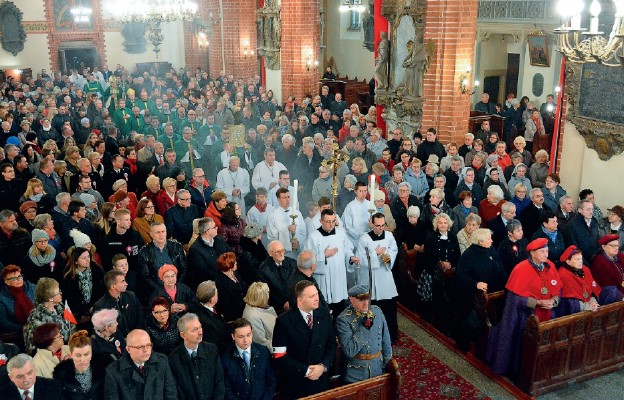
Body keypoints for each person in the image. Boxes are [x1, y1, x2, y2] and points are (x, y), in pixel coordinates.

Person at [487, 238, 562, 376]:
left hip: (547, 312)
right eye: (542, 251)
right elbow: (515, 298)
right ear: (532, 253)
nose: (546, 254)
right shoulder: (521, 269)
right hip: (523, 315)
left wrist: (554, 301)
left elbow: (557, 290)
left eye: (547, 251)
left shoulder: (550, 265)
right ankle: (519, 370)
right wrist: (537, 303)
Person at [272, 280, 336, 399]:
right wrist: (307, 371)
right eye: (312, 296)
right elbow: (279, 356)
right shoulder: (284, 321)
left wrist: (323, 366)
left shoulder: (324, 314)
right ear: (300, 299)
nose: (317, 298)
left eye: (317, 294)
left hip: (321, 381)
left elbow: (331, 344)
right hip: (296, 384)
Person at [454, 229, 507, 349]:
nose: (492, 240)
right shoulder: (469, 254)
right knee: (474, 321)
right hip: (474, 297)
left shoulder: (491, 249)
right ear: (480, 241)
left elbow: (500, 268)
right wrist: (476, 284)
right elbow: (460, 276)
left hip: (494, 293)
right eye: (489, 238)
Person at [352, 213, 399, 342]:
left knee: (388, 309)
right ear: (372, 224)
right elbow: (360, 259)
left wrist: (389, 257)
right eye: (377, 225)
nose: (380, 228)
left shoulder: (389, 236)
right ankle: (372, 337)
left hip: (385, 277)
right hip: (371, 278)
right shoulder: (364, 239)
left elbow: (394, 250)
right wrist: (375, 254)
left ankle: (390, 336)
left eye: (383, 225)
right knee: (372, 310)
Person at [335, 284, 392, 383]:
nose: (366, 303)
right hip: (356, 374)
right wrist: (365, 327)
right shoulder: (343, 319)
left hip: (378, 368)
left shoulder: (377, 311)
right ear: (351, 299)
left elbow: (385, 339)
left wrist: (388, 363)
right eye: (361, 300)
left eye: (368, 299)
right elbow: (350, 350)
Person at [104, 329, 177, 400]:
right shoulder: (113, 372)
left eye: (148, 345)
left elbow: (171, 394)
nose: (146, 350)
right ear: (128, 349)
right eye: (140, 347)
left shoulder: (162, 361)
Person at [168, 313, 225, 400]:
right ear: (183, 335)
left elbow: (219, 382)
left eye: (200, 327)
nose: (200, 332)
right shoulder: (173, 359)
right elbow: (176, 391)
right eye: (194, 330)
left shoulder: (212, 350)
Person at [221, 317, 276, 400]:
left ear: (252, 333)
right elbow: (226, 389)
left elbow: (271, 380)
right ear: (233, 336)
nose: (246, 340)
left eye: (248, 335)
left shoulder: (263, 351)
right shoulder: (225, 359)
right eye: (241, 337)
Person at [52, 330, 111, 400]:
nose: (83, 360)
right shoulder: (61, 373)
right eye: (78, 355)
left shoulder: (105, 365)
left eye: (86, 354)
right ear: (71, 354)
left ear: (91, 353)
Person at [23, 277, 75, 355]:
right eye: (58, 292)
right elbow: (36, 350)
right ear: (50, 298)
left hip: (68, 350)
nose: (61, 293)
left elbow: (72, 327)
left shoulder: (61, 307)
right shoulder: (37, 320)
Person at [138, 222, 188, 295]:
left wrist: (177, 286)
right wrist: (160, 290)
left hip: (177, 288)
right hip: (156, 290)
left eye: (163, 232)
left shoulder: (177, 247)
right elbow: (145, 276)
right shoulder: (144, 251)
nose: (161, 235)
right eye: (158, 232)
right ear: (151, 234)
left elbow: (184, 269)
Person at [61, 246, 105, 329]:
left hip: (96, 312)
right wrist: (82, 313)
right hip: (78, 316)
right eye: (84, 258)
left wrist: (93, 309)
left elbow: (102, 292)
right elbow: (68, 299)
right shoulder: (68, 277)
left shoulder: (98, 271)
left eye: (88, 256)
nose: (87, 259)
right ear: (76, 261)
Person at [93, 271, 143, 338]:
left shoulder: (131, 296)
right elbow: (103, 331)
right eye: (122, 281)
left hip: (136, 337)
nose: (126, 284)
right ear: (113, 286)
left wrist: (135, 335)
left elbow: (141, 317)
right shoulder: (100, 306)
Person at [555, 246, 602, 317]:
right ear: (568, 261)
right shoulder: (563, 274)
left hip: (589, 305)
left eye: (581, 259)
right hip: (572, 310)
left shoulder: (585, 269)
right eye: (577, 259)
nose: (581, 261)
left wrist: (593, 301)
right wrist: (587, 306)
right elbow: (569, 300)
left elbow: (593, 289)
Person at [186, 217, 231, 290]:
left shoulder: (218, 238)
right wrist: (224, 275)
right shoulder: (195, 249)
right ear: (207, 231)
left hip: (227, 274)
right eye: (214, 227)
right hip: (211, 285)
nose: (217, 228)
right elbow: (205, 272)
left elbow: (229, 253)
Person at [187, 280, 230, 353]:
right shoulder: (206, 322)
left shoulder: (199, 307)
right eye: (217, 293)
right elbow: (217, 344)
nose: (218, 294)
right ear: (212, 300)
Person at [266, 188, 306, 259]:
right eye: (284, 197)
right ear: (278, 199)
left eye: (288, 197)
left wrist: (298, 241)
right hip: (282, 253)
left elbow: (303, 232)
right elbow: (272, 238)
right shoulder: (272, 216)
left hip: (297, 252)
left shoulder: (297, 213)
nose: (287, 200)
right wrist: (286, 230)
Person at [0, 265, 35, 338]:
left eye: (19, 276)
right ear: (6, 282)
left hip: (39, 327)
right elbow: (4, 322)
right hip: (18, 334)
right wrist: (24, 328)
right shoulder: (2, 298)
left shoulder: (32, 288)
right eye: (14, 278)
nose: (19, 280)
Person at [589, 235, 624, 303]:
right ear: (604, 247)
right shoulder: (599, 262)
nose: (616, 248)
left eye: (617, 246)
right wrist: (622, 297)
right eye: (613, 246)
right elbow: (609, 285)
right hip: (607, 294)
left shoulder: (620, 257)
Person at [215, 252, 247, 322]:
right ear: (229, 266)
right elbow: (226, 305)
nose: (236, 263)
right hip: (235, 315)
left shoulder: (234, 273)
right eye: (235, 262)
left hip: (245, 307)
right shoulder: (221, 283)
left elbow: (243, 286)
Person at [566, 199, 600, 265]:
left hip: (594, 260)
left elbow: (598, 241)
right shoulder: (573, 225)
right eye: (588, 209)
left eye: (592, 209)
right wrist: (583, 261)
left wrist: (596, 257)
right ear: (580, 210)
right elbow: (573, 245)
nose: (591, 212)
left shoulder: (594, 222)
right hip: (580, 261)